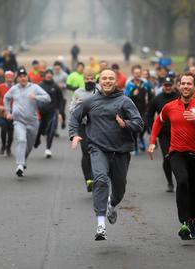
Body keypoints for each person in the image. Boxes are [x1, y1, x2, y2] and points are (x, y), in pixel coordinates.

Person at [69, 69, 144, 241]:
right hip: (98, 148)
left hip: (121, 150)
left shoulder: (125, 101)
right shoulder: (90, 101)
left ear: (116, 81)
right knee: (100, 180)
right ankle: (100, 225)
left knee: (119, 190)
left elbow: (139, 124)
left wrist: (125, 124)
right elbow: (74, 117)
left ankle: (112, 204)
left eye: (111, 78)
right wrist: (74, 134)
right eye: (104, 78)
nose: (108, 81)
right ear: (99, 81)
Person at [148, 72, 195, 240]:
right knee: (182, 182)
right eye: (183, 83)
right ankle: (183, 222)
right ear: (179, 86)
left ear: (194, 87)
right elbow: (158, 121)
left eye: (189, 84)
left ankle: (192, 219)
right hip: (177, 152)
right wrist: (152, 141)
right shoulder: (170, 106)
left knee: (194, 192)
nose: (185, 86)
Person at [3, 67, 51, 177]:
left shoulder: (34, 87)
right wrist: (8, 112)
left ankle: (23, 159)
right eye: (20, 77)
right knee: (21, 140)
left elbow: (47, 98)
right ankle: (19, 165)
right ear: (18, 78)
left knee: (29, 146)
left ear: (27, 77)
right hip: (19, 120)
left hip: (33, 121)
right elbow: (6, 98)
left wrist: (36, 97)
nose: (22, 78)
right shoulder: (14, 89)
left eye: (24, 76)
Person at [146, 76, 179, 192]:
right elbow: (149, 115)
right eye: (166, 85)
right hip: (164, 134)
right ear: (163, 86)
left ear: (173, 86)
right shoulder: (157, 99)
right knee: (167, 158)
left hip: (179, 133)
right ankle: (170, 182)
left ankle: (181, 180)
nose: (168, 87)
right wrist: (152, 132)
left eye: (170, 85)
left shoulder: (179, 97)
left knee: (179, 158)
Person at [69, 69, 96, 192]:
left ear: (95, 79)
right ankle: (89, 180)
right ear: (83, 80)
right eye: (87, 78)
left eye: (92, 78)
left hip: (98, 126)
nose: (89, 80)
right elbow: (71, 109)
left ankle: (98, 176)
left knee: (98, 152)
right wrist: (77, 105)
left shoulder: (100, 91)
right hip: (83, 126)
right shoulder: (78, 92)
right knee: (86, 152)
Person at [35, 69, 64, 158]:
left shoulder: (55, 86)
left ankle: (48, 149)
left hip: (52, 111)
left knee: (51, 130)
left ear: (52, 75)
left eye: (50, 74)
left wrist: (60, 113)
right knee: (39, 129)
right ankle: (37, 139)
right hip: (40, 112)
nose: (49, 75)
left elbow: (61, 100)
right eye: (47, 74)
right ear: (44, 75)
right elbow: (34, 98)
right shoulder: (39, 86)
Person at [124, 65, 152, 154]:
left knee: (145, 125)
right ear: (133, 74)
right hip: (133, 110)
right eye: (136, 73)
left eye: (139, 73)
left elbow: (151, 93)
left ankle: (141, 137)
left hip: (144, 109)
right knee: (134, 129)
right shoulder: (129, 85)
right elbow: (126, 97)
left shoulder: (145, 83)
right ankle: (135, 147)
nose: (138, 74)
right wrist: (133, 94)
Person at [0, 71, 15, 156]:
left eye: (11, 78)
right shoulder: (0, 87)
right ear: (5, 78)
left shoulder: (16, 88)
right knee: (3, 129)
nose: (9, 80)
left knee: (11, 131)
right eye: (7, 78)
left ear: (13, 78)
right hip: (2, 112)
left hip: (13, 113)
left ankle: (8, 148)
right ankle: (3, 146)